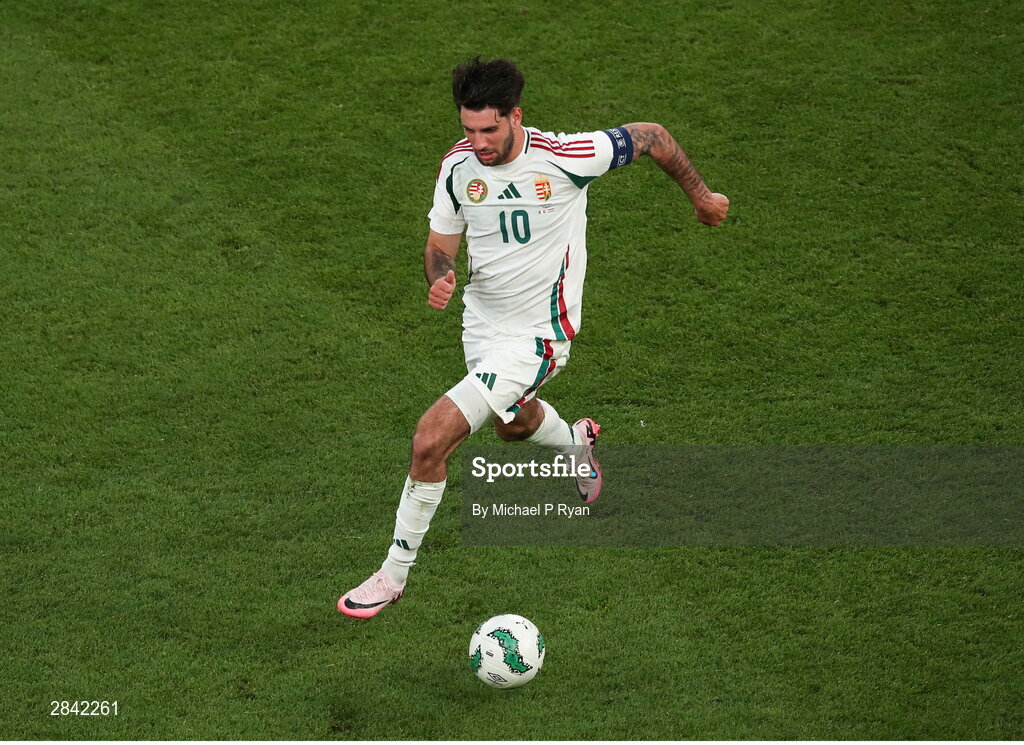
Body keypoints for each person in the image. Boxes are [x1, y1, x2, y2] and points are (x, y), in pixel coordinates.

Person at [339, 57, 729, 619]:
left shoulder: (566, 157)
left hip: (539, 336)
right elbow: (439, 246)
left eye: (488, 129)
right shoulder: (457, 167)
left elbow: (652, 136)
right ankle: (575, 444)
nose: (477, 142)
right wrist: (440, 277)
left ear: (515, 116)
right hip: (482, 327)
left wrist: (701, 195)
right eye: (468, 129)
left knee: (430, 439)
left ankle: (392, 575)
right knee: (513, 425)